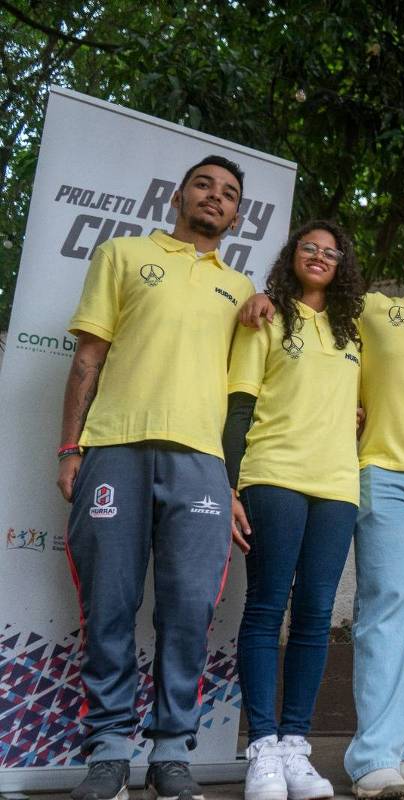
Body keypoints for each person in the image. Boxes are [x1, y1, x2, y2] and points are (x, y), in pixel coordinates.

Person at [240, 226, 404, 799]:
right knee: (388, 610)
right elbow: (312, 306)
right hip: (381, 473)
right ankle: (372, 756)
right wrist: (263, 295)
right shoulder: (371, 311)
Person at [57, 155, 254, 800]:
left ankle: (172, 751)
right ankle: (109, 752)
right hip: (114, 447)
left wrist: (228, 480)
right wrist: (69, 448)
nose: (215, 198)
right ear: (179, 194)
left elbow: (245, 393)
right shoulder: (121, 255)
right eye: (205, 185)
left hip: (201, 462)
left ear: (237, 213)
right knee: (109, 602)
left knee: (190, 609)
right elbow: (89, 357)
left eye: (229, 194)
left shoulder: (241, 288)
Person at [223, 221, 365, 800]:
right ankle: (261, 749)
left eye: (331, 251)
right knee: (266, 606)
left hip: (337, 485)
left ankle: (295, 748)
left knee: (313, 614)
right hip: (273, 476)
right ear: (292, 255)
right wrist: (229, 487)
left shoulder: (353, 331)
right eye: (310, 247)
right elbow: (238, 410)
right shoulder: (265, 316)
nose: (320, 256)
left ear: (342, 265)